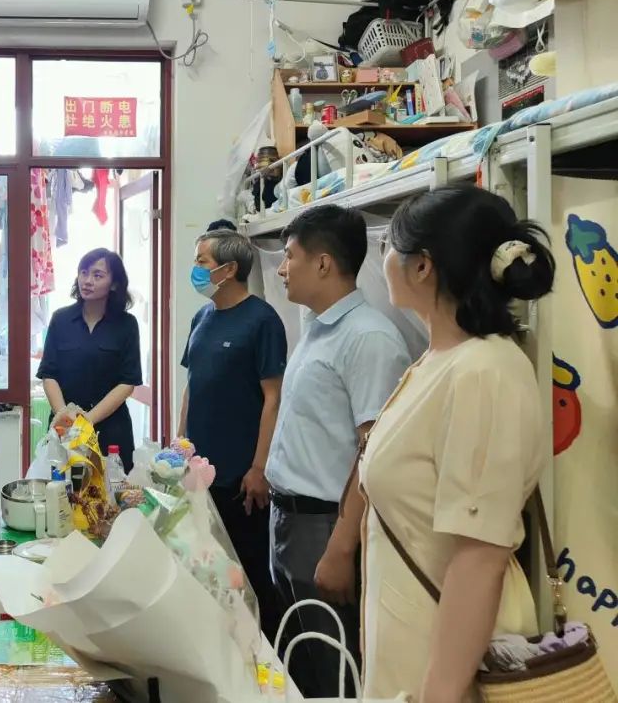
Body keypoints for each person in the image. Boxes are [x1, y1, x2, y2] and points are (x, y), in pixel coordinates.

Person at [360, 185, 554, 702]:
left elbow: (481, 554)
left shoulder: (484, 372)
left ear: (423, 266)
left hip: (450, 661)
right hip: (411, 640)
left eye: (389, 246)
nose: (383, 258)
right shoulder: (437, 361)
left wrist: (440, 692)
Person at [264, 205, 411, 698]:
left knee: (336, 670)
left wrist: (342, 547)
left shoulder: (369, 338)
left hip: (326, 526)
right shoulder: (317, 327)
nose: (282, 269)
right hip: (289, 520)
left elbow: (373, 455)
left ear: (323, 263)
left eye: (290, 256)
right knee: (300, 662)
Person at [179, 228, 287, 640]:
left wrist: (259, 468)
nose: (195, 269)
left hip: (241, 479)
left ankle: (266, 659)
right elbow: (193, 385)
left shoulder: (262, 321)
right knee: (208, 572)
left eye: (202, 262)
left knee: (250, 577)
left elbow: (273, 398)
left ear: (229, 270)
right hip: (199, 474)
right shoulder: (202, 318)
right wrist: (180, 445)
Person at [38, 249, 142, 471]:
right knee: (62, 487)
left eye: (97, 275)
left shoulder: (126, 324)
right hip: (64, 427)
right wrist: (65, 416)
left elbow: (127, 382)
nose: (87, 280)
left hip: (111, 429)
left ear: (114, 284)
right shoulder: (61, 319)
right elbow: (49, 373)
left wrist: (87, 421)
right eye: (83, 272)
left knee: (112, 489)